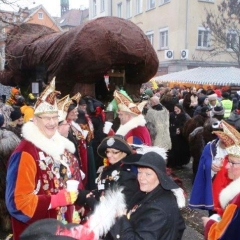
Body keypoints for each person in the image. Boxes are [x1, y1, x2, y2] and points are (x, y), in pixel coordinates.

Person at [5, 78, 79, 240]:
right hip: (36, 234)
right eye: (46, 118)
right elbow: (17, 203)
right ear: (35, 120)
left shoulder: (58, 147)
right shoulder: (26, 152)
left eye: (54, 117)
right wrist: (53, 201)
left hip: (58, 230)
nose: (52, 123)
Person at [106, 152, 186, 240]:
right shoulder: (147, 192)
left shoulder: (158, 209)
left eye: (148, 174)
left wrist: (121, 218)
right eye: (139, 172)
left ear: (160, 176)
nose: (141, 178)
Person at [202, 120, 240, 240]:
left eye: (232, 163)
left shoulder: (237, 202)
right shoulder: (212, 147)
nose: (227, 166)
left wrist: (208, 224)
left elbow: (226, 235)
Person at [168, 103, 190, 168]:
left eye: (177, 109)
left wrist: (180, 129)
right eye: (175, 109)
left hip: (180, 136)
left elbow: (184, 124)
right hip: (172, 133)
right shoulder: (171, 115)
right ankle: (171, 163)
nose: (176, 110)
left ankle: (178, 163)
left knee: (179, 149)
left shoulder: (183, 115)